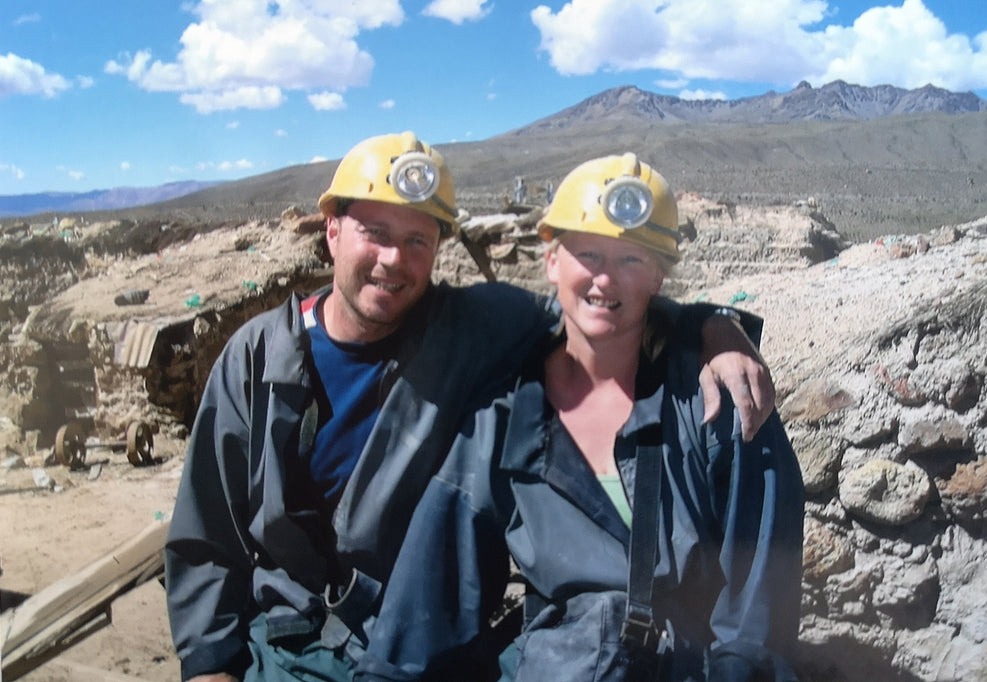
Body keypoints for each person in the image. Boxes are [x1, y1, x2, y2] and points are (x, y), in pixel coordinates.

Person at [164, 133, 778, 682]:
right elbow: (206, 533)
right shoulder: (260, 359)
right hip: (288, 643)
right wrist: (210, 666)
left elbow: (600, 313)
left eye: (416, 241)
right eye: (375, 234)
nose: (393, 259)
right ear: (332, 231)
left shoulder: (471, 330)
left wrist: (715, 328)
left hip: (407, 635)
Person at [357, 154, 804, 681]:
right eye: (587, 253)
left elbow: (753, 624)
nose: (604, 279)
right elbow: (432, 593)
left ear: (659, 277)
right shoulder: (503, 420)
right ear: (552, 263)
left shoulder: (717, 404)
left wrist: (717, 324)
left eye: (632, 260)